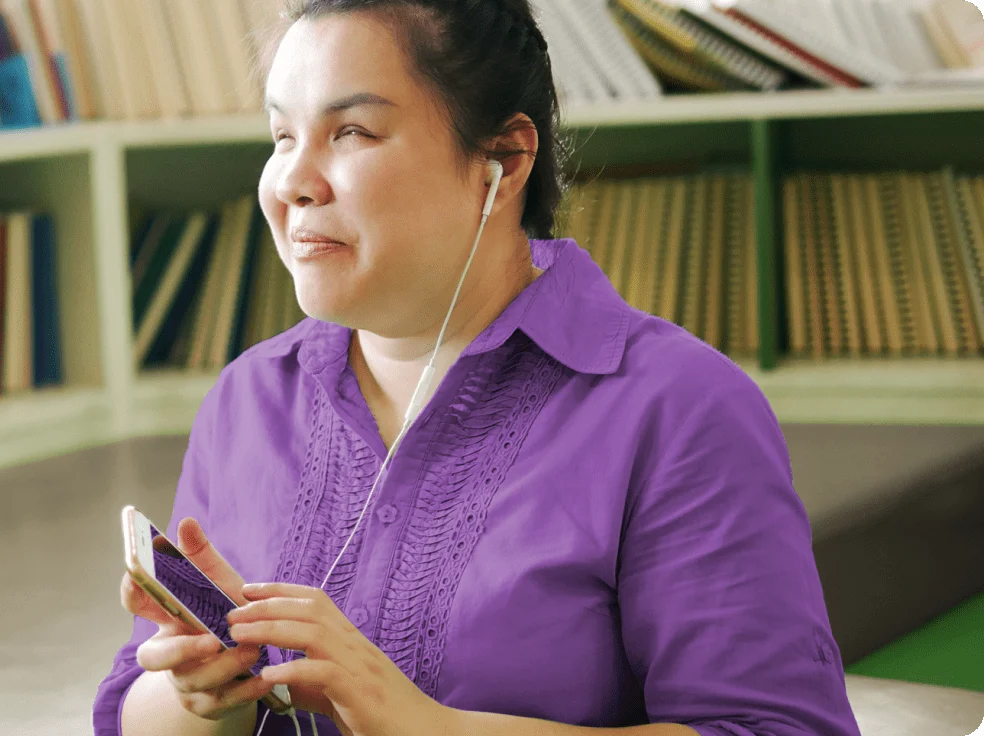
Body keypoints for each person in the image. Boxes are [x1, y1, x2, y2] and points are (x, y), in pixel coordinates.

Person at [94, 0, 863, 734]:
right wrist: (203, 698)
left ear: (503, 158)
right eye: (282, 136)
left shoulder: (681, 408)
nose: (293, 181)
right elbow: (135, 703)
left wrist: (431, 728)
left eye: (353, 131)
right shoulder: (247, 398)